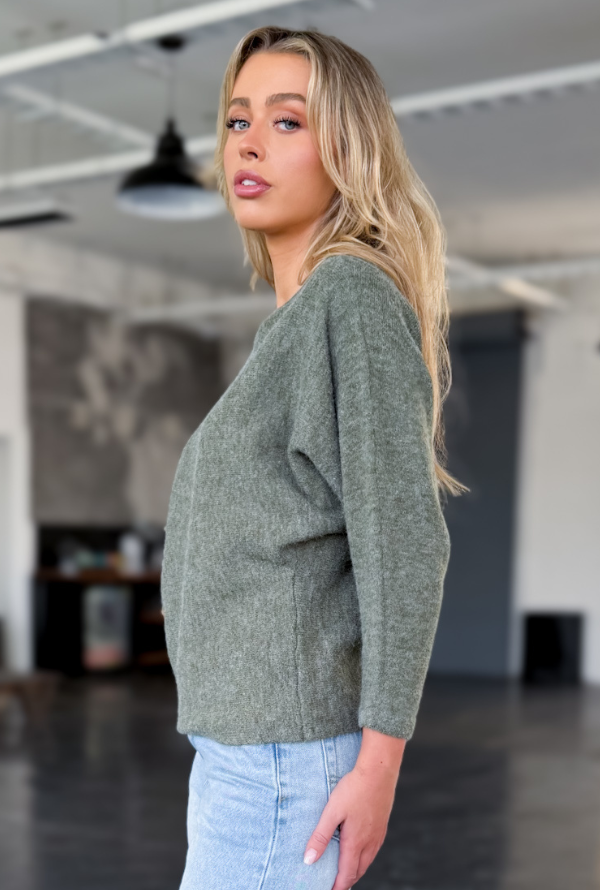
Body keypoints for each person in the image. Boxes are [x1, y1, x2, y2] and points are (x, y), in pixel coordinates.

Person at [160, 25, 467, 890]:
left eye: (287, 121)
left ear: (348, 150)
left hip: (282, 763)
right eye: (237, 120)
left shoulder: (351, 299)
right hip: (245, 753)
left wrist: (379, 765)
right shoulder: (297, 325)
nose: (248, 143)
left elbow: (404, 545)